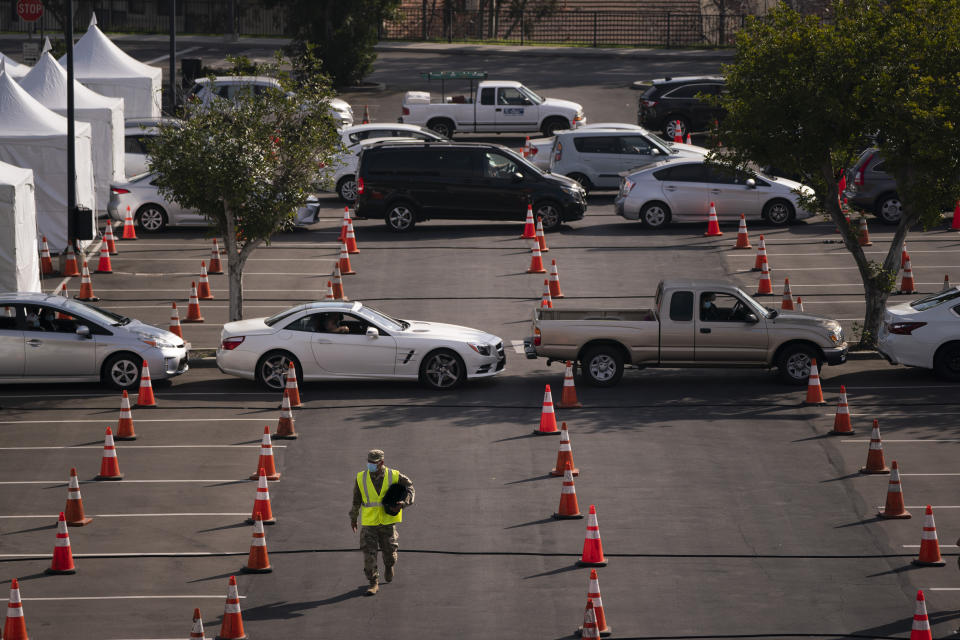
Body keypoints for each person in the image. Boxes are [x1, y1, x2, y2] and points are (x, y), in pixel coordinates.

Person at [349, 449, 415, 596]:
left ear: (381, 463)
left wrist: (403, 503)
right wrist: (353, 518)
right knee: (368, 555)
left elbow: (410, 488)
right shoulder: (361, 477)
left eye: (374, 463)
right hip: (369, 524)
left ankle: (389, 565)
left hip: (387, 523)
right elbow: (356, 500)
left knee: (390, 554)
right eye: (369, 462)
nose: (370, 465)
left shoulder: (394, 475)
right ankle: (373, 582)